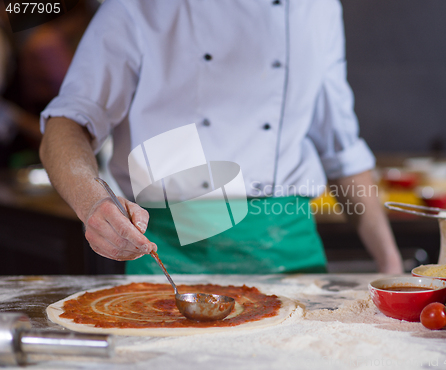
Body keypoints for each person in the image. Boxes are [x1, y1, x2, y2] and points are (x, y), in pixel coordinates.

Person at [39, 0, 404, 275]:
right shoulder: (137, 7)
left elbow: (340, 149)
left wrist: (390, 262)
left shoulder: (317, 7)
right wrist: (91, 202)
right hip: (170, 253)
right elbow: (68, 122)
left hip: (292, 254)